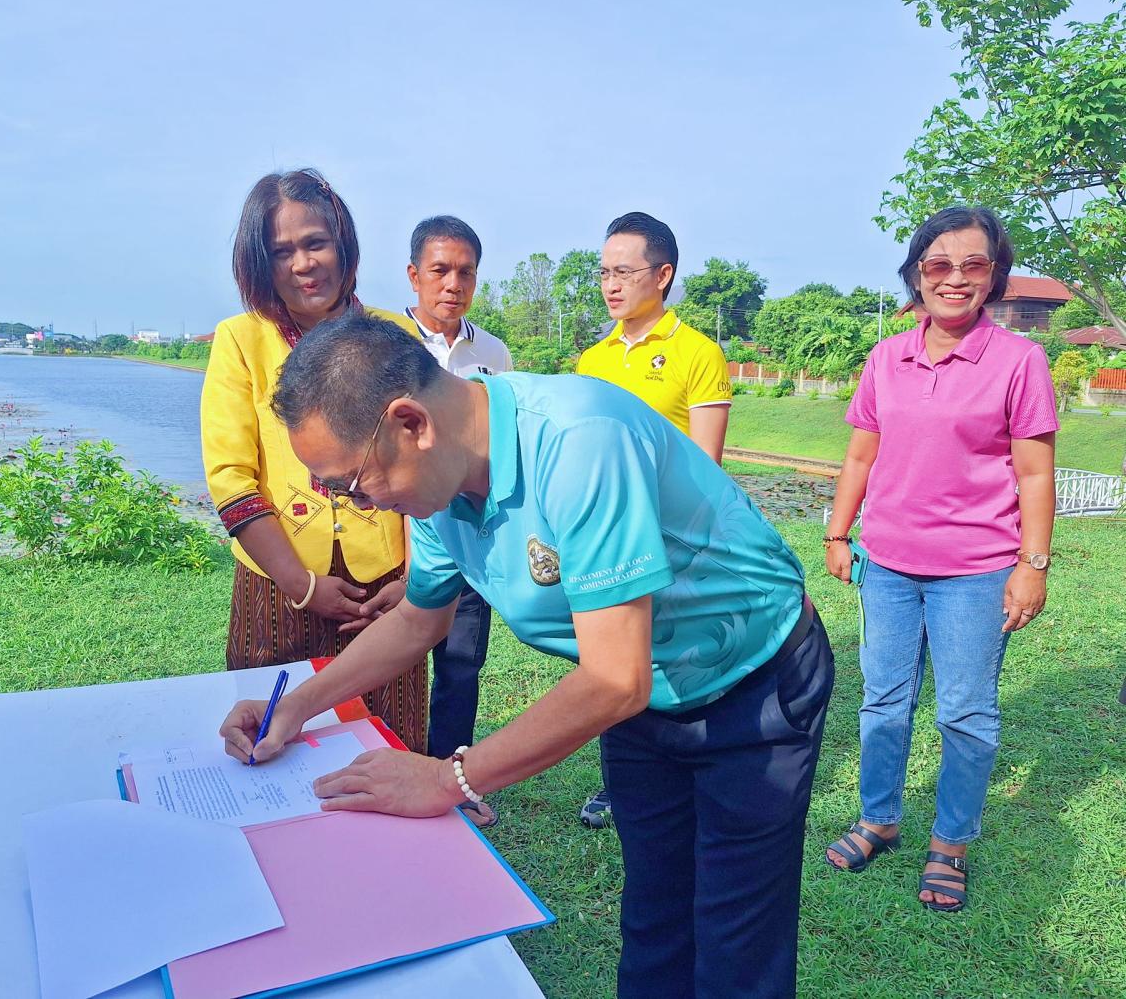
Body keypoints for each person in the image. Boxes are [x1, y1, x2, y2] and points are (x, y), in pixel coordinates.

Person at [219, 313, 835, 998]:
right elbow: (420, 617)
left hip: (754, 688)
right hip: (649, 701)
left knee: (736, 945)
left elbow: (614, 676)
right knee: (655, 920)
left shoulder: (580, 443)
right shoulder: (438, 486)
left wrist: (448, 778)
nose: (357, 502)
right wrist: (299, 705)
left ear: (410, 422)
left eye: (352, 484)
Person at [822, 206, 1058, 913]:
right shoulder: (887, 356)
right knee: (883, 703)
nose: (954, 278)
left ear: (994, 276)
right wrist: (838, 533)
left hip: (977, 570)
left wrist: (1033, 564)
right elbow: (862, 451)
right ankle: (880, 818)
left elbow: (1037, 474)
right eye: (938, 264)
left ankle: (950, 842)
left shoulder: (1020, 360)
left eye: (973, 264)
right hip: (888, 563)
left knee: (965, 712)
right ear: (916, 273)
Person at [200, 169, 428, 751]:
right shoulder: (240, 340)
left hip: (385, 589)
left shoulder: (396, 334)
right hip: (277, 581)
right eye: (282, 252)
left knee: (387, 740)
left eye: (315, 243)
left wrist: (412, 577)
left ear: (343, 244)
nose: (303, 264)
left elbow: (428, 463)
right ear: (260, 263)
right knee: (270, 739)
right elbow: (231, 479)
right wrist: (300, 584)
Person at [573, 211, 732, 828]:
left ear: (662, 275)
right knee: (610, 662)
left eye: (624, 272)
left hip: (673, 534)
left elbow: (707, 466)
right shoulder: (592, 360)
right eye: (605, 272)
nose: (611, 285)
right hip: (606, 536)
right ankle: (619, 784)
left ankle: (692, 768)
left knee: (675, 658)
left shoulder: (697, 352)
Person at [404, 215, 512, 827]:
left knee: (461, 662)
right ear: (414, 275)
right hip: (394, 533)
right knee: (393, 656)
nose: (453, 284)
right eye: (440, 271)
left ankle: (450, 779)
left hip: (466, 538)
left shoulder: (492, 353)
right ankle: (387, 765)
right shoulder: (384, 345)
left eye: (465, 272)